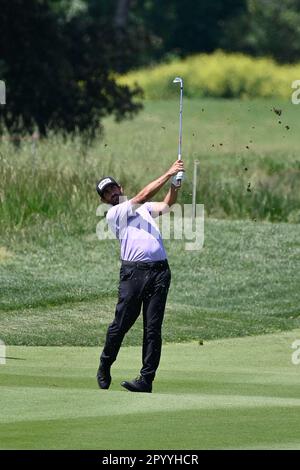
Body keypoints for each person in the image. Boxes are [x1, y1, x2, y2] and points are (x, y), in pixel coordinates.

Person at [95, 159, 185, 393]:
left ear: (120, 188)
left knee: (153, 328)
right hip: (134, 273)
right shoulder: (115, 213)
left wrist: (175, 186)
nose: (111, 193)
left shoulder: (143, 210)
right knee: (121, 324)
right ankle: (105, 363)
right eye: (106, 193)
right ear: (104, 201)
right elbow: (143, 196)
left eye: (113, 188)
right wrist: (168, 173)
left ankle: (146, 380)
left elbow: (166, 206)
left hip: (160, 272)